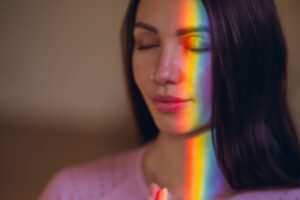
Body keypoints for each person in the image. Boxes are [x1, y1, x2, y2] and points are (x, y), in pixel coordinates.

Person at [39, 0, 300, 199]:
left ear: (250, 56)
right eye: (147, 44)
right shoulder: (73, 191)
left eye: (196, 46)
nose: (163, 72)